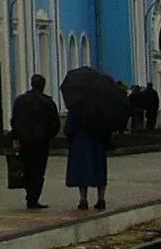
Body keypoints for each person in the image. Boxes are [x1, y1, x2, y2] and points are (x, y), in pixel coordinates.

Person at [60, 67, 119, 212]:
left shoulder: (76, 108)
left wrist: (69, 135)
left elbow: (69, 128)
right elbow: (108, 126)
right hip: (98, 143)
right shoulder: (102, 108)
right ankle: (101, 199)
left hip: (80, 143)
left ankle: (83, 199)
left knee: (82, 173)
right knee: (100, 171)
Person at [8, 73, 61, 210]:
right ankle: (33, 198)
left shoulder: (20, 100)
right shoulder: (47, 102)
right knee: (38, 171)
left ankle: (29, 195)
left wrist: (15, 138)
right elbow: (54, 124)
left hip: (24, 141)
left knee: (25, 168)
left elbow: (14, 121)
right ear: (43, 86)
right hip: (40, 143)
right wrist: (47, 135)